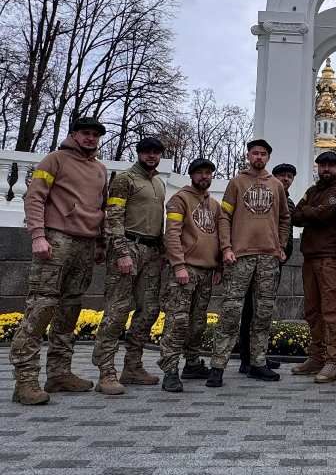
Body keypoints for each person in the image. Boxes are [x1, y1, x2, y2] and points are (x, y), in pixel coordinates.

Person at [9, 118, 108, 405]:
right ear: (74, 135)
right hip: (56, 239)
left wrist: (100, 244)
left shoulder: (100, 169)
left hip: (85, 244)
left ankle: (59, 372)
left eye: (95, 135)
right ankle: (25, 380)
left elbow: (100, 208)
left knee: (70, 308)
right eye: (85, 133)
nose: (90, 138)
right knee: (42, 307)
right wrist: (38, 235)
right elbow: (35, 197)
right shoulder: (54, 160)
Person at [207, 139, 290, 387]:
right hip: (240, 256)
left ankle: (258, 362)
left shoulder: (276, 185)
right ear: (248, 155)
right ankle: (217, 366)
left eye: (263, 154)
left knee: (263, 313)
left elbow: (285, 218)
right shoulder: (237, 182)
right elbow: (225, 216)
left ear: (268, 157)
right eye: (255, 153)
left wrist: (281, 246)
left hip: (268, 257)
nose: (259, 157)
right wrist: (226, 248)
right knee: (231, 312)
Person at [92, 137, 166, 395]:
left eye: (156, 152)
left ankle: (132, 366)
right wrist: (120, 251)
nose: (151, 156)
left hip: (152, 251)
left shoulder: (158, 182)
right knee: (118, 310)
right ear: (139, 153)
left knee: (149, 310)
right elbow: (113, 216)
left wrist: (163, 251)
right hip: (128, 247)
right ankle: (106, 371)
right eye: (147, 152)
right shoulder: (125, 180)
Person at [157, 158, 223, 392]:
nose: (205, 176)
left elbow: (217, 237)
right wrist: (178, 265)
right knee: (177, 322)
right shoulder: (179, 199)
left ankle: (192, 363)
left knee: (198, 322)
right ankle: (170, 370)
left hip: (206, 272)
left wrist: (218, 266)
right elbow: (172, 234)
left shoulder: (214, 205)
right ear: (192, 175)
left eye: (208, 173)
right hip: (185, 270)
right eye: (200, 173)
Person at [291, 151, 336, 383]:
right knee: (312, 310)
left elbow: (323, 214)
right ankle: (316, 356)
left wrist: (310, 212)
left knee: (332, 311)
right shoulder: (314, 190)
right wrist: (311, 212)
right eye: (322, 165)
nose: (325, 169)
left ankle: (333, 361)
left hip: (331, 258)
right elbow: (295, 216)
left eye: (330, 166)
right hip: (310, 257)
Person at [236, 163, 296, 374]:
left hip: (274, 264)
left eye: (290, 176)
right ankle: (246, 359)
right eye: (282, 175)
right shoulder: (259, 196)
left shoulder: (288, 202)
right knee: (250, 311)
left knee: (264, 312)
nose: (286, 179)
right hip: (254, 260)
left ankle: (259, 356)